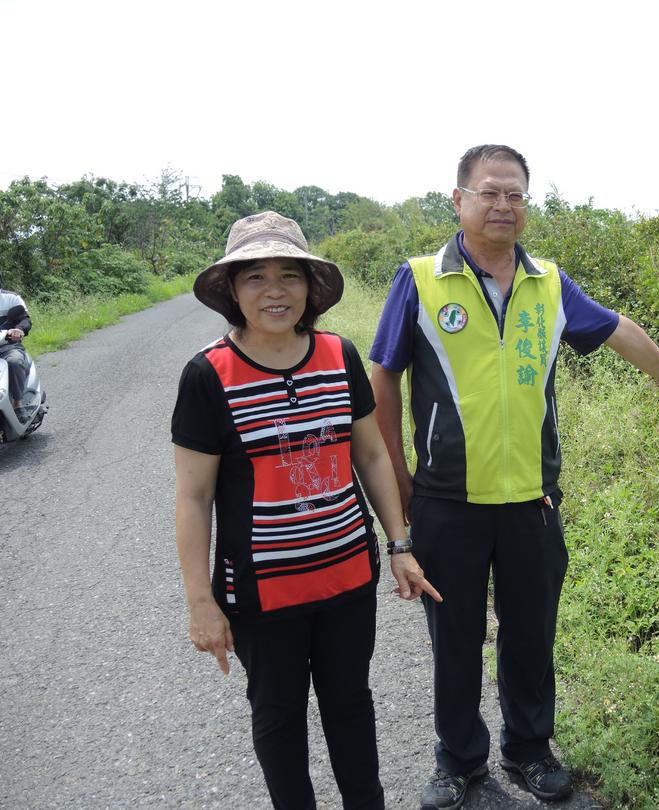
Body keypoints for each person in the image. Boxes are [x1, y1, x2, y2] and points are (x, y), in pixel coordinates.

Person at [369, 145, 659, 810]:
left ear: (527, 203)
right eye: (490, 192)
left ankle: (530, 750)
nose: (504, 205)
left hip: (533, 500)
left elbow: (618, 330)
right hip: (448, 501)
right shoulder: (421, 278)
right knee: (455, 641)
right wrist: (401, 474)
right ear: (460, 199)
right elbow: (384, 373)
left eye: (516, 195)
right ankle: (459, 761)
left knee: (531, 634)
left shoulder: (550, 283)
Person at [172, 211, 441, 810]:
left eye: (289, 276)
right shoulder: (207, 376)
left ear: (309, 288)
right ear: (232, 291)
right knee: (278, 715)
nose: (274, 292)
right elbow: (192, 497)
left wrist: (399, 545)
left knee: (350, 702)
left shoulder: (338, 355)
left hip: (347, 576)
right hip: (262, 592)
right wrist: (200, 603)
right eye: (256, 277)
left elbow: (370, 454)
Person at [0, 286, 33, 422]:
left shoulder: (11, 298)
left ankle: (18, 404)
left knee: (14, 361)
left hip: (7, 345)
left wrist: (18, 329)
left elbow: (25, 319)